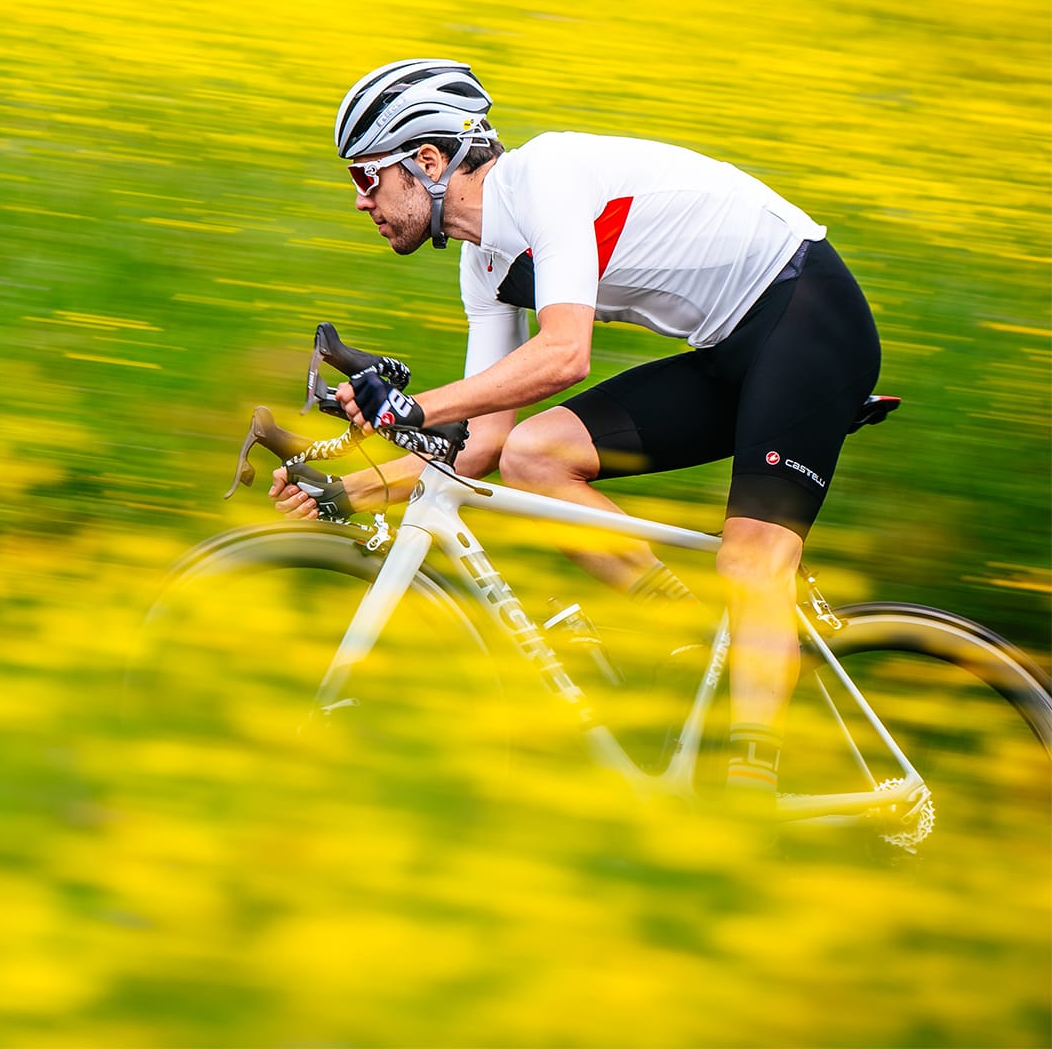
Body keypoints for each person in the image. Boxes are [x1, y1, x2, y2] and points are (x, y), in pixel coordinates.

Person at [270, 57, 881, 807]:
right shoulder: (484, 262)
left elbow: (564, 355)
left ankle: (746, 798)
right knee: (534, 456)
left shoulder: (546, 179)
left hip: (809, 319)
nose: (359, 202)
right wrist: (348, 489)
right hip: (730, 352)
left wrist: (415, 407)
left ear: (427, 161)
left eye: (366, 177)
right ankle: (693, 639)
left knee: (753, 562)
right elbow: (483, 444)